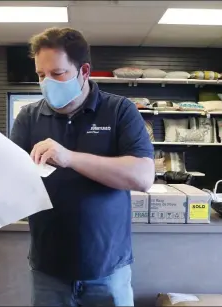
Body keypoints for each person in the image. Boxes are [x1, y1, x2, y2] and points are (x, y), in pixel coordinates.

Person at [10, 27, 155, 307]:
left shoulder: (119, 110)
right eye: (41, 75)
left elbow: (143, 176)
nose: (47, 82)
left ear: (84, 70)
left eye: (58, 73)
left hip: (108, 270)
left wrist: (71, 158)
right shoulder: (29, 116)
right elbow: (14, 181)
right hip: (48, 271)